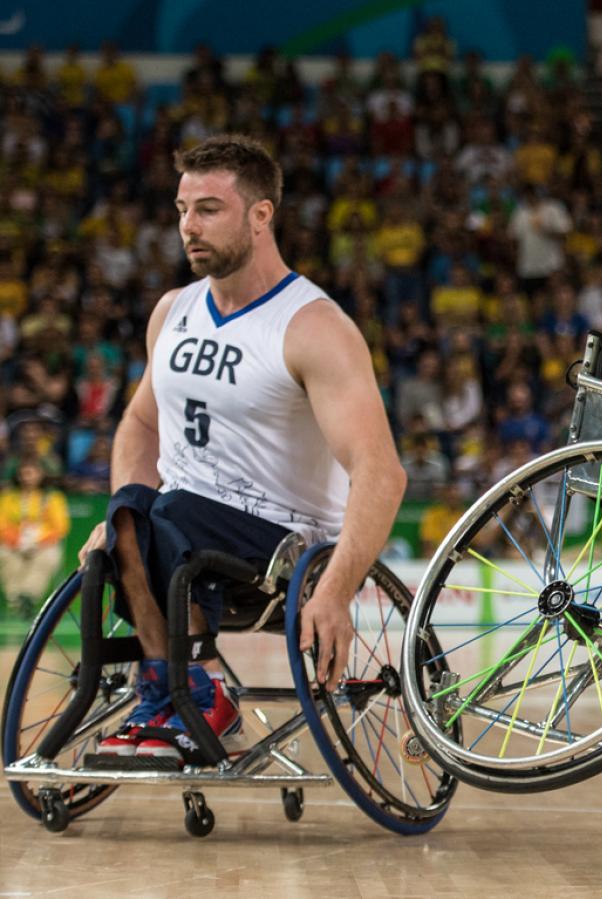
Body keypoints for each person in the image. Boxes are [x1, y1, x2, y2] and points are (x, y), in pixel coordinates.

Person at [77, 135, 406, 765]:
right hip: (180, 527)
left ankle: (196, 697)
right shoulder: (172, 310)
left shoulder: (314, 327)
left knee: (154, 518)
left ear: (261, 216)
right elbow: (140, 425)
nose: (187, 227)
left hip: (280, 547)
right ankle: (171, 692)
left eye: (208, 209)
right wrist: (124, 510)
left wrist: (336, 590)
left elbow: (381, 472)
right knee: (138, 517)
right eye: (180, 209)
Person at [0, 461, 69, 617]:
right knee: (5, 555)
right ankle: (16, 601)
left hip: (43, 543)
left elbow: (60, 527)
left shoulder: (53, 497)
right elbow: (2, 524)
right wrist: (17, 541)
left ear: (41, 474)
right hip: (13, 542)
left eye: (31, 473)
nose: (27, 477)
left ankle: (29, 597)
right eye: (24, 473)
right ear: (18, 475)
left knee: (49, 557)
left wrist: (37, 541)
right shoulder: (8, 497)